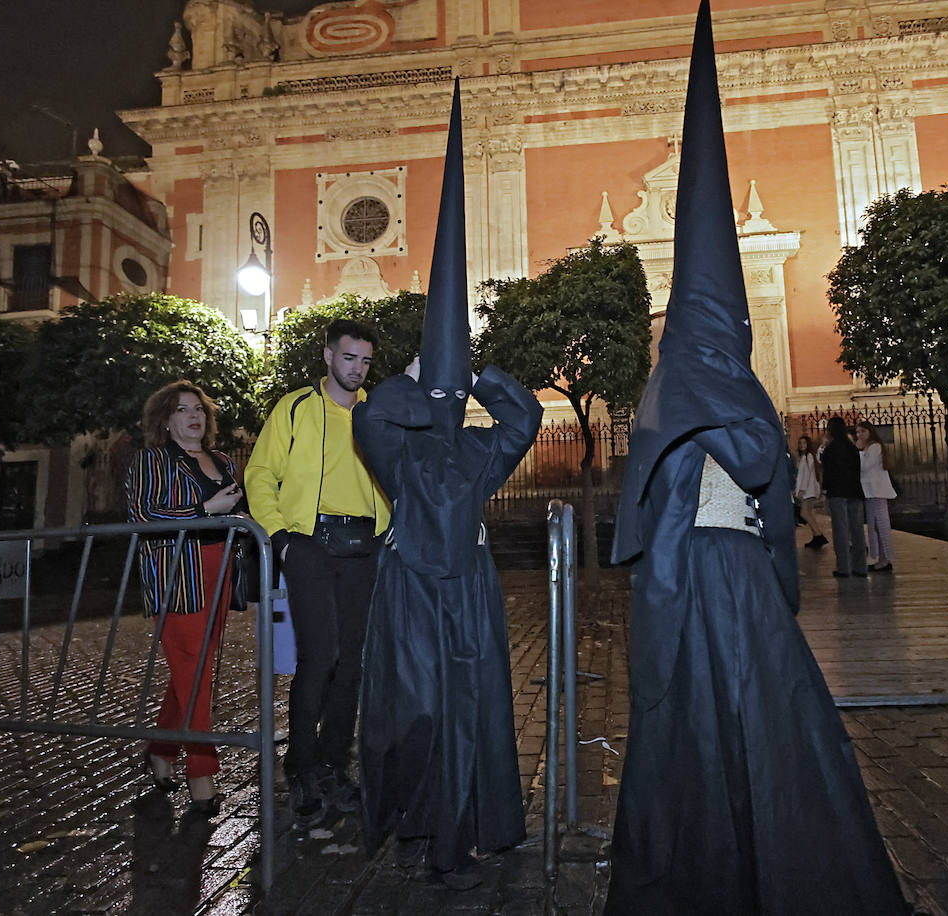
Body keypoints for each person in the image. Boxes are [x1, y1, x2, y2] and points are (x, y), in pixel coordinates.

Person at [604, 4, 908, 912]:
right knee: (723, 718)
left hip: (735, 567)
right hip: (705, 572)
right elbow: (741, 455)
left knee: (766, 720)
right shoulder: (685, 385)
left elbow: (764, 475)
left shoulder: (706, 382)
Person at [353, 79, 542, 891]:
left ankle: (456, 834)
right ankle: (411, 817)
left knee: (466, 715)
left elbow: (525, 420)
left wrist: (479, 371)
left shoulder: (478, 453)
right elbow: (370, 416)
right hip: (408, 591)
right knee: (412, 713)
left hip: (464, 589)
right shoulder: (395, 443)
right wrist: (417, 375)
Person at [245, 318, 391, 830]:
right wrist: (281, 538)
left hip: (365, 547)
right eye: (349, 357)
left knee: (352, 662)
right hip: (309, 543)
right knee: (320, 656)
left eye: (365, 360)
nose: (357, 368)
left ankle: (333, 764)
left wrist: (389, 531)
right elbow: (260, 473)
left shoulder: (378, 412)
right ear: (328, 356)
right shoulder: (295, 407)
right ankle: (300, 765)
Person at [126, 380, 242, 817]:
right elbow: (143, 514)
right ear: (165, 420)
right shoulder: (151, 460)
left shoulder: (222, 460)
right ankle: (201, 772)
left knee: (195, 671)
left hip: (220, 571)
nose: (193, 416)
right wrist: (205, 512)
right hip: (178, 575)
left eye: (199, 409)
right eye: (181, 409)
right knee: (194, 669)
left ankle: (160, 749)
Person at [820, 416, 868, 578]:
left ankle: (844, 567)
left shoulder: (830, 449)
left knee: (840, 531)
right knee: (857, 530)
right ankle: (860, 566)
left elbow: (827, 473)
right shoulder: (852, 448)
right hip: (854, 491)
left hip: (837, 493)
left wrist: (825, 489)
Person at [856, 420, 897, 573]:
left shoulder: (875, 447)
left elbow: (864, 467)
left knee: (881, 524)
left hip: (877, 491)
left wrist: (859, 451)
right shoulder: (867, 448)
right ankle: (878, 557)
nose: (860, 435)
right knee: (873, 526)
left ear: (870, 432)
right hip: (869, 491)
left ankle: (886, 558)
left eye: (862, 432)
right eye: (858, 432)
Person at [792, 435, 828, 549]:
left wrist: (801, 490)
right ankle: (817, 535)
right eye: (800, 443)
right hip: (809, 489)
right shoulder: (807, 457)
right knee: (808, 513)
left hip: (808, 490)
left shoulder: (807, 457)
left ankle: (819, 535)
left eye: (804, 443)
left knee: (805, 513)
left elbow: (805, 475)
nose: (802, 445)